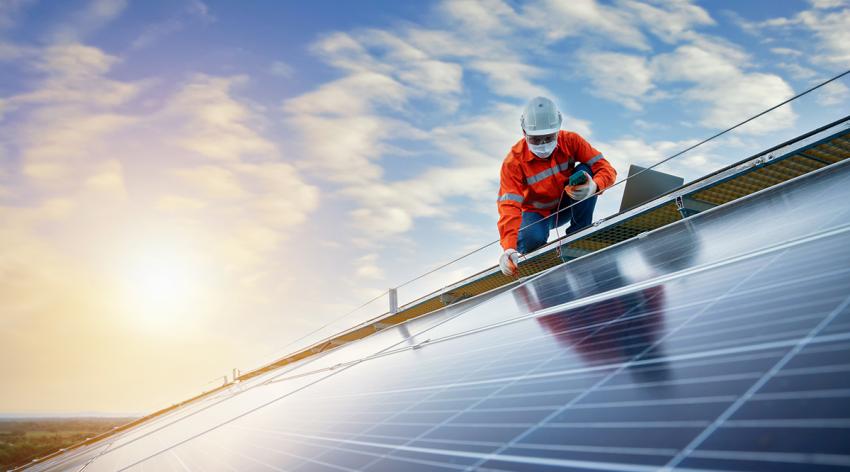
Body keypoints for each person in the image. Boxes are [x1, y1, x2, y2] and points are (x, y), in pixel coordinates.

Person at [497, 96, 617, 276]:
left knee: (586, 170)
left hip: (568, 203)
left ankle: (578, 235)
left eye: (548, 137)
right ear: (524, 132)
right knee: (531, 239)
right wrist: (509, 248)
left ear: (558, 129)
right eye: (536, 139)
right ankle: (539, 263)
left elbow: (606, 168)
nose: (543, 145)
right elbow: (509, 206)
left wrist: (594, 187)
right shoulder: (513, 163)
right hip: (536, 216)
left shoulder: (571, 141)